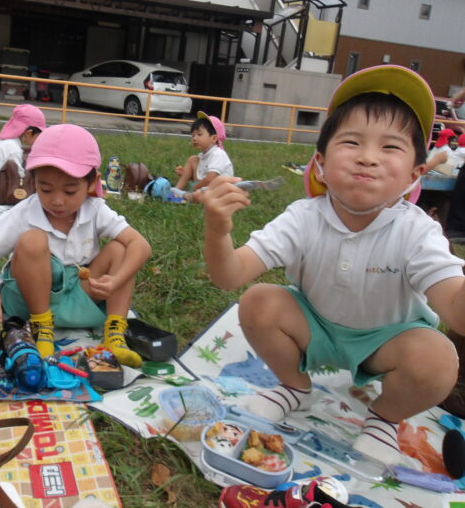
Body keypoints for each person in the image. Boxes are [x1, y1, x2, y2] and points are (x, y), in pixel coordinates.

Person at [196, 64, 465, 466]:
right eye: (352, 142)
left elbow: (457, 315)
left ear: (415, 174)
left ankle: (384, 418)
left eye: (390, 147)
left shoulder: (417, 231)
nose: (368, 158)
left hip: (386, 344)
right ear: (320, 163)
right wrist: (217, 231)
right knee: (258, 302)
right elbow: (229, 276)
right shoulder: (303, 216)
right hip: (315, 329)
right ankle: (295, 387)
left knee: (439, 359)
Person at [0, 124, 152, 366]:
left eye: (70, 191)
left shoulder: (95, 209)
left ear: (92, 183)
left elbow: (140, 245)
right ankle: (42, 328)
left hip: (75, 297)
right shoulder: (26, 212)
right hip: (27, 300)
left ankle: (115, 333)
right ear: (33, 181)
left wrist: (116, 280)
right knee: (33, 240)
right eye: (45, 189)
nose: (57, 201)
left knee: (121, 249)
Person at [171, 111, 233, 202]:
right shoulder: (204, 156)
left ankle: (186, 195)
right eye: (193, 135)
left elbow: (210, 178)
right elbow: (203, 174)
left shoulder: (218, 154)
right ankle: (176, 190)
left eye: (199, 134)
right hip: (207, 187)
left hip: (219, 191)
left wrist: (195, 188)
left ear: (214, 138)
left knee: (200, 195)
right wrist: (186, 174)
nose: (194, 138)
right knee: (192, 159)